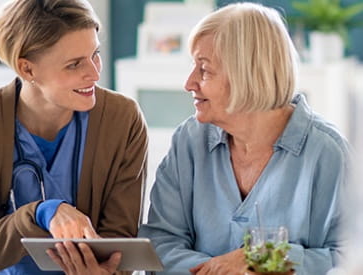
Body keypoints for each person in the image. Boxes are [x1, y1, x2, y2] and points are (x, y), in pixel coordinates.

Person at [138, 2, 350, 275]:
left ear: (246, 75)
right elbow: (160, 244)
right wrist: (222, 271)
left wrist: (267, 258)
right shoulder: (188, 142)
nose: (188, 83)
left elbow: (350, 259)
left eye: (204, 69)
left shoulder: (328, 153)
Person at [0, 0, 148, 274]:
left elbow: (120, 246)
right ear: (27, 69)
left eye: (95, 54)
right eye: (74, 65)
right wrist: (41, 213)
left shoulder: (122, 120)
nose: (95, 74)